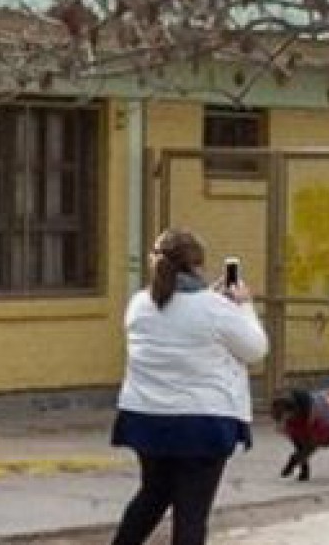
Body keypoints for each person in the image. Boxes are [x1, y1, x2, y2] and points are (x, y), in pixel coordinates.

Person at [109, 229, 269, 545]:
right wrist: (244, 305)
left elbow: (178, 315)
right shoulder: (216, 308)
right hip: (203, 423)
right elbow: (255, 349)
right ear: (198, 265)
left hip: (147, 419)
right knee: (191, 513)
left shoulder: (138, 304)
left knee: (153, 495)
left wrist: (209, 297)